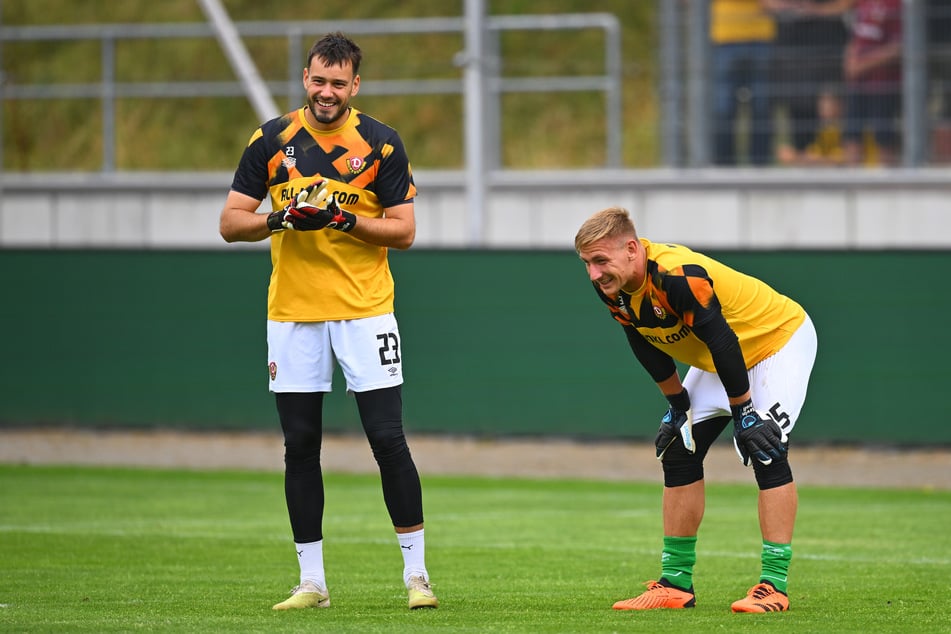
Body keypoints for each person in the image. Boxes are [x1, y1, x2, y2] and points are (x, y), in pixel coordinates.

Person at [218, 32, 437, 611]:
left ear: (355, 86)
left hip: (365, 310)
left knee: (387, 439)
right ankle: (312, 583)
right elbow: (231, 222)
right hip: (292, 313)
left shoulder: (381, 144)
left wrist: (341, 217)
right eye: (318, 80)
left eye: (338, 83)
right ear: (306, 78)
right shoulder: (271, 139)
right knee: (300, 445)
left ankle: (418, 578)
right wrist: (282, 217)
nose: (326, 92)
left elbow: (405, 231)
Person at [574, 207, 817, 613]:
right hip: (721, 357)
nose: (595, 274)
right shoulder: (612, 286)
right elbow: (642, 340)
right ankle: (675, 584)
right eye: (587, 263)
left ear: (632, 248)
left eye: (601, 261)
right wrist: (676, 405)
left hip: (777, 341)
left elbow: (722, 339)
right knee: (679, 449)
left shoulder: (676, 275)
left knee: (764, 446)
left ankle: (774, 585)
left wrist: (744, 412)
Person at [767, 0, 849, 163]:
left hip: (829, 48)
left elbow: (847, 4)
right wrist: (790, 9)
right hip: (793, 53)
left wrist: (818, 10)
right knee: (799, 112)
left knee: (830, 105)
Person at [709, 0, 778, 165]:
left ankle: (760, 168)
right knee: (723, 108)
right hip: (725, 38)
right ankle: (723, 169)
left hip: (760, 37)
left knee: (762, 106)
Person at [839, 0, 903, 165]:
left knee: (883, 137)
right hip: (857, 83)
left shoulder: (896, 5)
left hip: (882, 84)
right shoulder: (862, 3)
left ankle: (888, 186)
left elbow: (898, 48)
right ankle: (851, 186)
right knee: (852, 135)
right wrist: (849, 62)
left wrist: (861, 65)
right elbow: (855, 37)